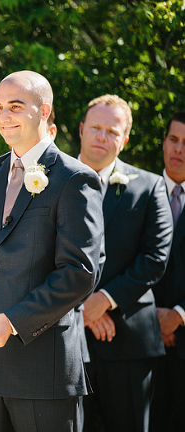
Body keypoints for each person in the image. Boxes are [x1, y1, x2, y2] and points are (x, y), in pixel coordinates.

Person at [0, 70, 103, 432]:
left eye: (15, 106)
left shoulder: (75, 178)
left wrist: (12, 321)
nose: (4, 116)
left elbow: (79, 272)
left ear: (44, 111)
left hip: (43, 370)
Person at [75, 95, 172, 432]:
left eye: (112, 131)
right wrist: (81, 308)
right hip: (66, 340)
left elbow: (155, 257)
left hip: (129, 339)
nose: (102, 137)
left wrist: (103, 301)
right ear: (81, 130)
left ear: (125, 139)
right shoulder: (46, 181)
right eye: (96, 128)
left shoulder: (149, 186)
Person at [150, 111, 185, 431]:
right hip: (140, 341)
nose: (179, 149)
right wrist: (152, 316)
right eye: (173, 139)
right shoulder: (138, 193)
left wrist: (179, 313)